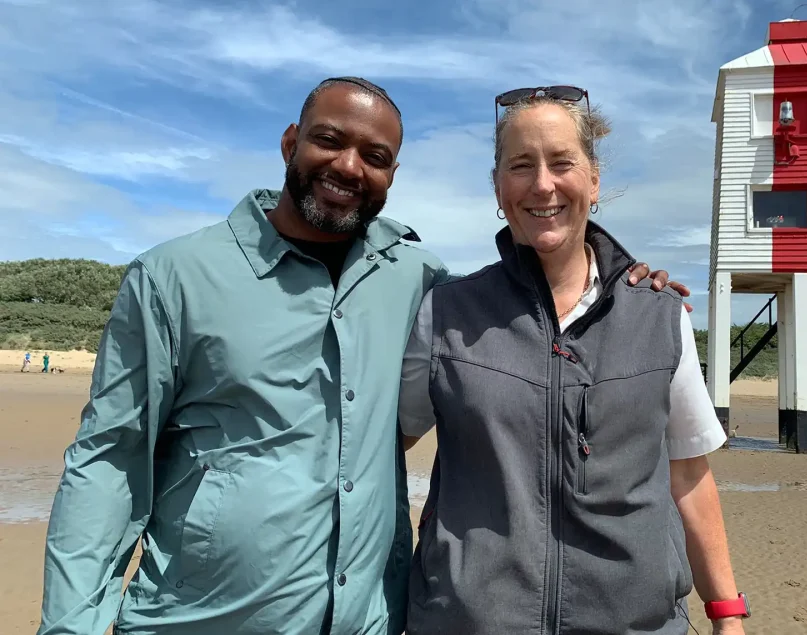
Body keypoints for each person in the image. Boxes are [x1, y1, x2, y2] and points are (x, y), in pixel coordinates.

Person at [37, 77, 685, 635]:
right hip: (203, 616)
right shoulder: (174, 277)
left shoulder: (423, 283)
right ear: (290, 142)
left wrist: (627, 282)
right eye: (330, 140)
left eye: (375, 155)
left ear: (392, 175)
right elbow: (108, 457)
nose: (350, 166)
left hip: (368, 618)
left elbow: (529, 306)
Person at [399, 86, 747, 635]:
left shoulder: (660, 317)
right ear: (497, 186)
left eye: (562, 162)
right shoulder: (445, 313)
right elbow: (379, 452)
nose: (542, 184)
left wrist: (726, 612)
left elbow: (688, 473)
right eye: (520, 165)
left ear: (594, 179)